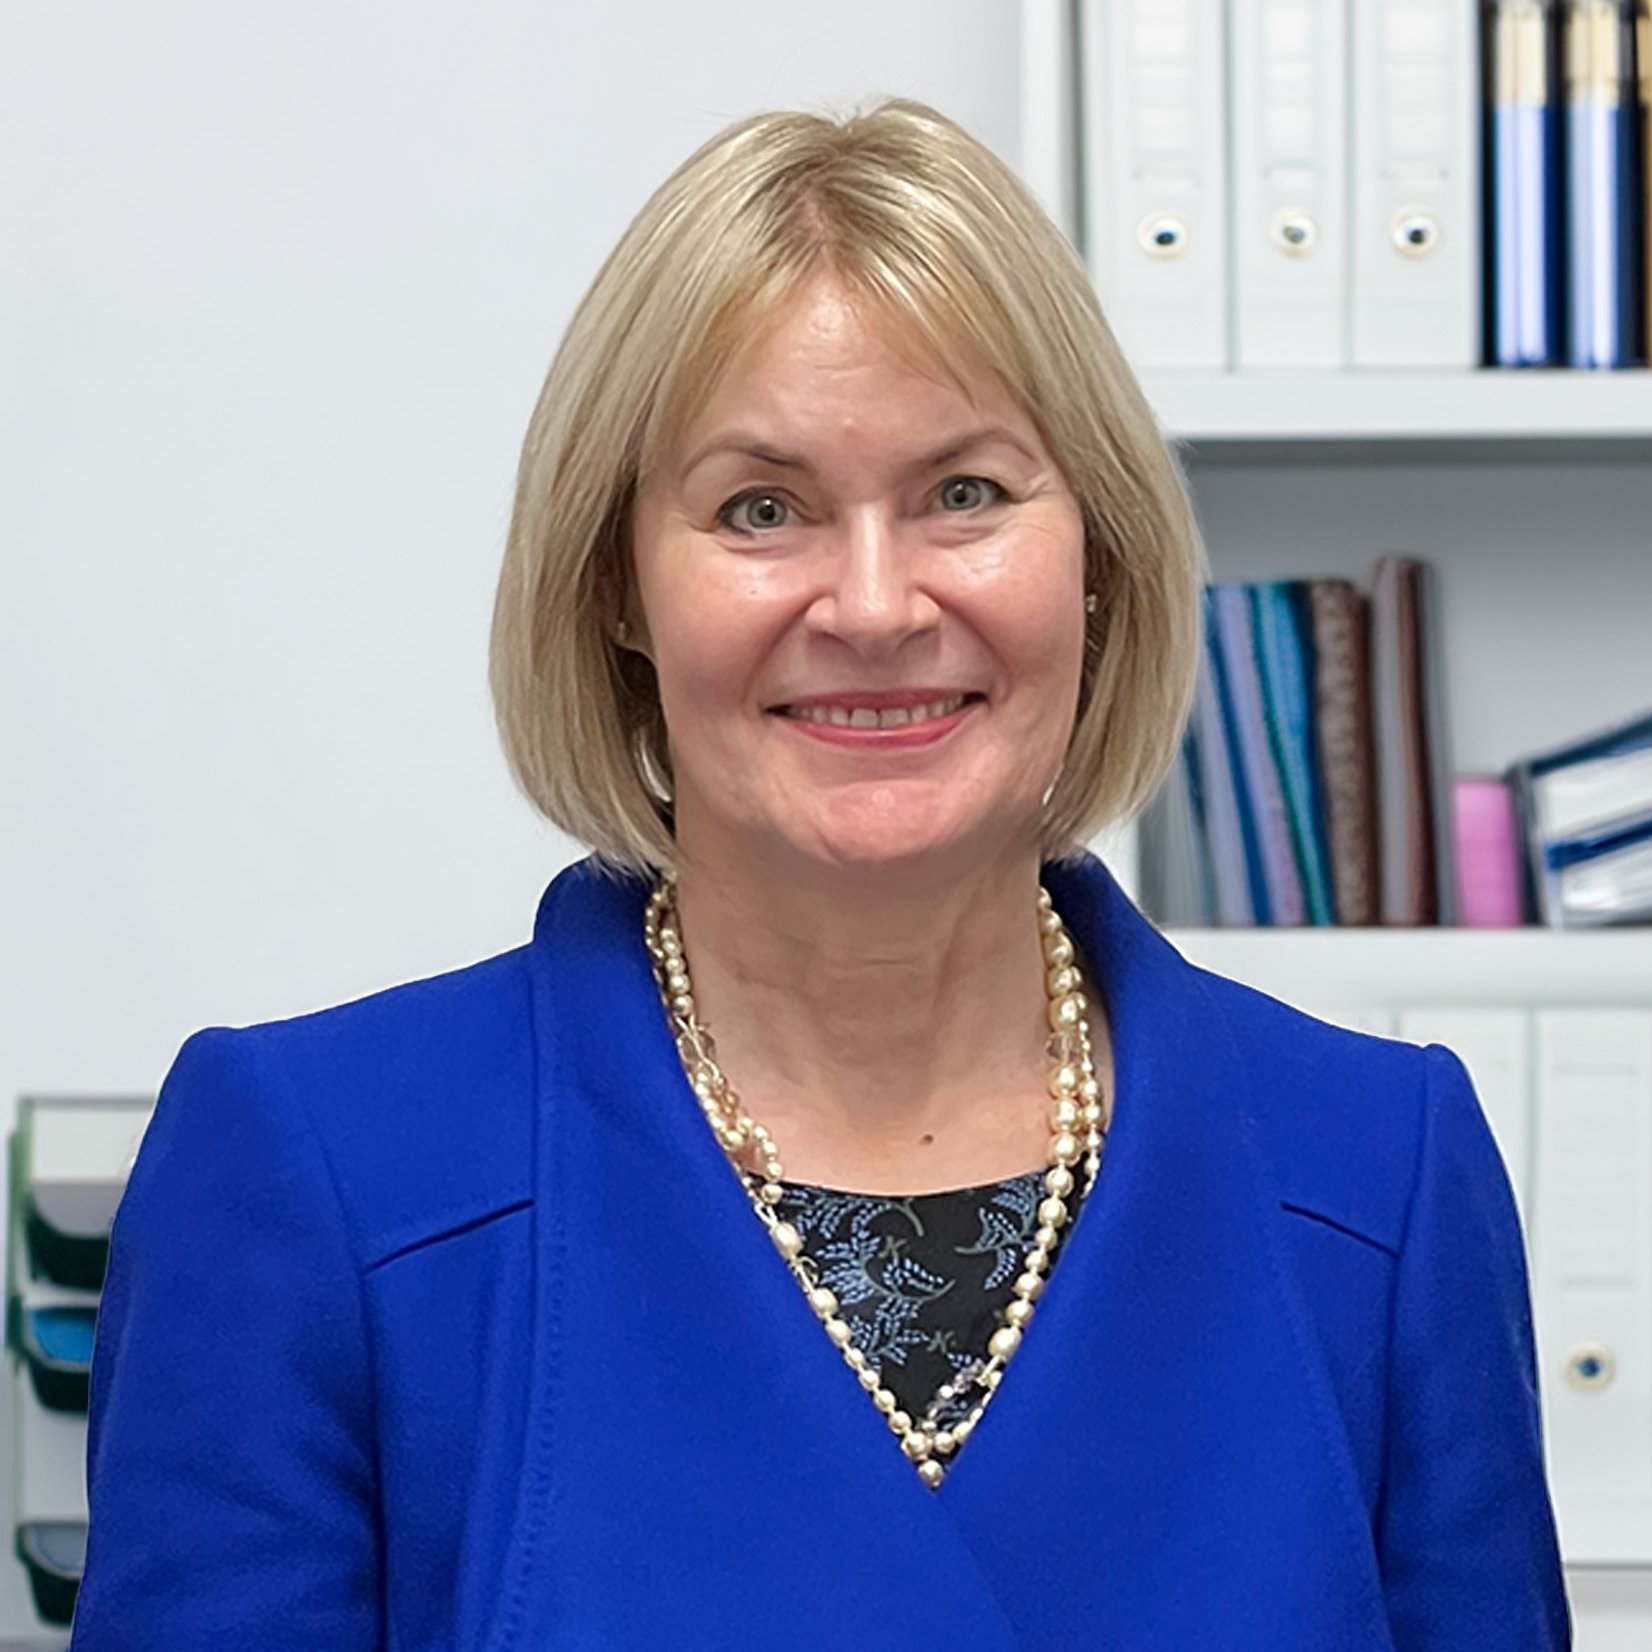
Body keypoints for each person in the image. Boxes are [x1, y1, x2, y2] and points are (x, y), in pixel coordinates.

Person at [69, 97, 1569, 1649]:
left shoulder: (1383, 1181)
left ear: (1100, 560)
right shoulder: (315, 1182)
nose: (872, 602)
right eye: (761, 509)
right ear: (618, 591)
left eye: (965, 493)